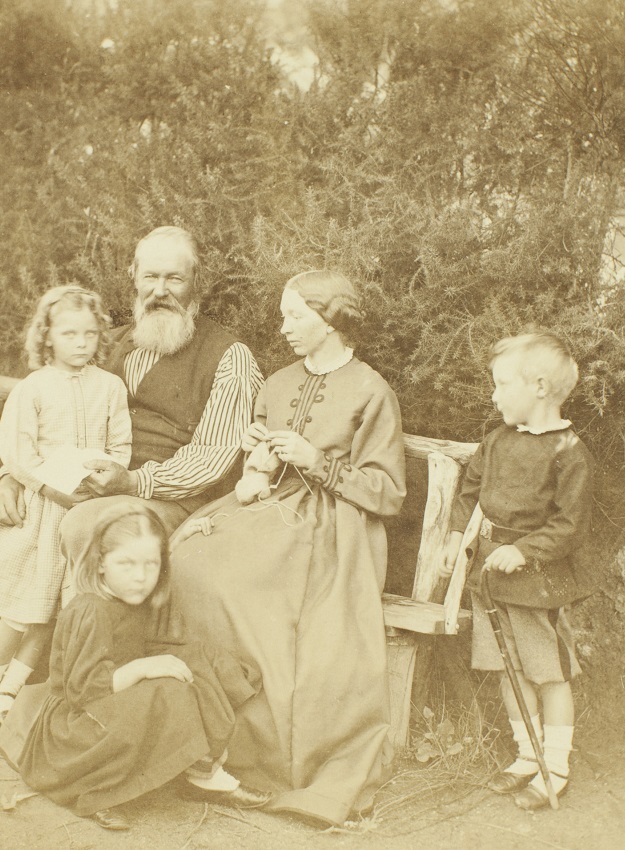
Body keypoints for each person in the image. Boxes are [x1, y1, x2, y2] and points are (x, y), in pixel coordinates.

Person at [168, 270, 407, 826]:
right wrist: (256, 459)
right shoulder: (274, 383)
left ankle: (268, 756)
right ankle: (201, 739)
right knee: (186, 555)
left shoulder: (372, 390)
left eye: (294, 315)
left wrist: (315, 459)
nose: (284, 327)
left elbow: (388, 492)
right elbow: (259, 453)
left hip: (331, 521)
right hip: (266, 507)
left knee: (244, 583)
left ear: (330, 320)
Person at [0, 225, 262, 567]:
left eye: (174, 279)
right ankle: (21, 621)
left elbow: (212, 458)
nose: (160, 291)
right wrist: (11, 477)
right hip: (78, 484)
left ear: (197, 281)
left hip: (171, 500)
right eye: (150, 277)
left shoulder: (229, 357)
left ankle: (73, 620)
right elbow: (49, 413)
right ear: (134, 277)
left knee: (84, 524)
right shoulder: (101, 344)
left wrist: (135, 481)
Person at [0, 286, 132, 732]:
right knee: (23, 608)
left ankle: (10, 692)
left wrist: (108, 473)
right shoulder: (34, 388)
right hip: (43, 506)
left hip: (88, 504)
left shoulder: (110, 387)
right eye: (69, 333)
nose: (81, 343)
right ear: (48, 337)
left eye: (90, 334)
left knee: (46, 613)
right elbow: (17, 451)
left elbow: (120, 445)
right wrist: (49, 487)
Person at [0, 505, 271, 831]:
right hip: (78, 723)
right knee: (171, 690)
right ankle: (100, 789)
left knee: (201, 659)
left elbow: (150, 556)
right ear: (100, 565)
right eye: (126, 564)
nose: (140, 577)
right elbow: (84, 690)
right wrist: (144, 667)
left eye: (151, 565)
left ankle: (200, 768)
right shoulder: (91, 611)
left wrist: (180, 536)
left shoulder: (130, 589)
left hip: (114, 689)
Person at [436, 331, 594, 811]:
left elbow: (570, 525)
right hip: (491, 575)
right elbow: (471, 489)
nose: (494, 395)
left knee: (549, 673)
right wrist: (454, 538)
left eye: (503, 384)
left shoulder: (569, 451)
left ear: (540, 387)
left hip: (536, 581)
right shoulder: (498, 440)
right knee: (509, 667)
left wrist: (525, 551)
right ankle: (527, 757)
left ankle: (557, 765)